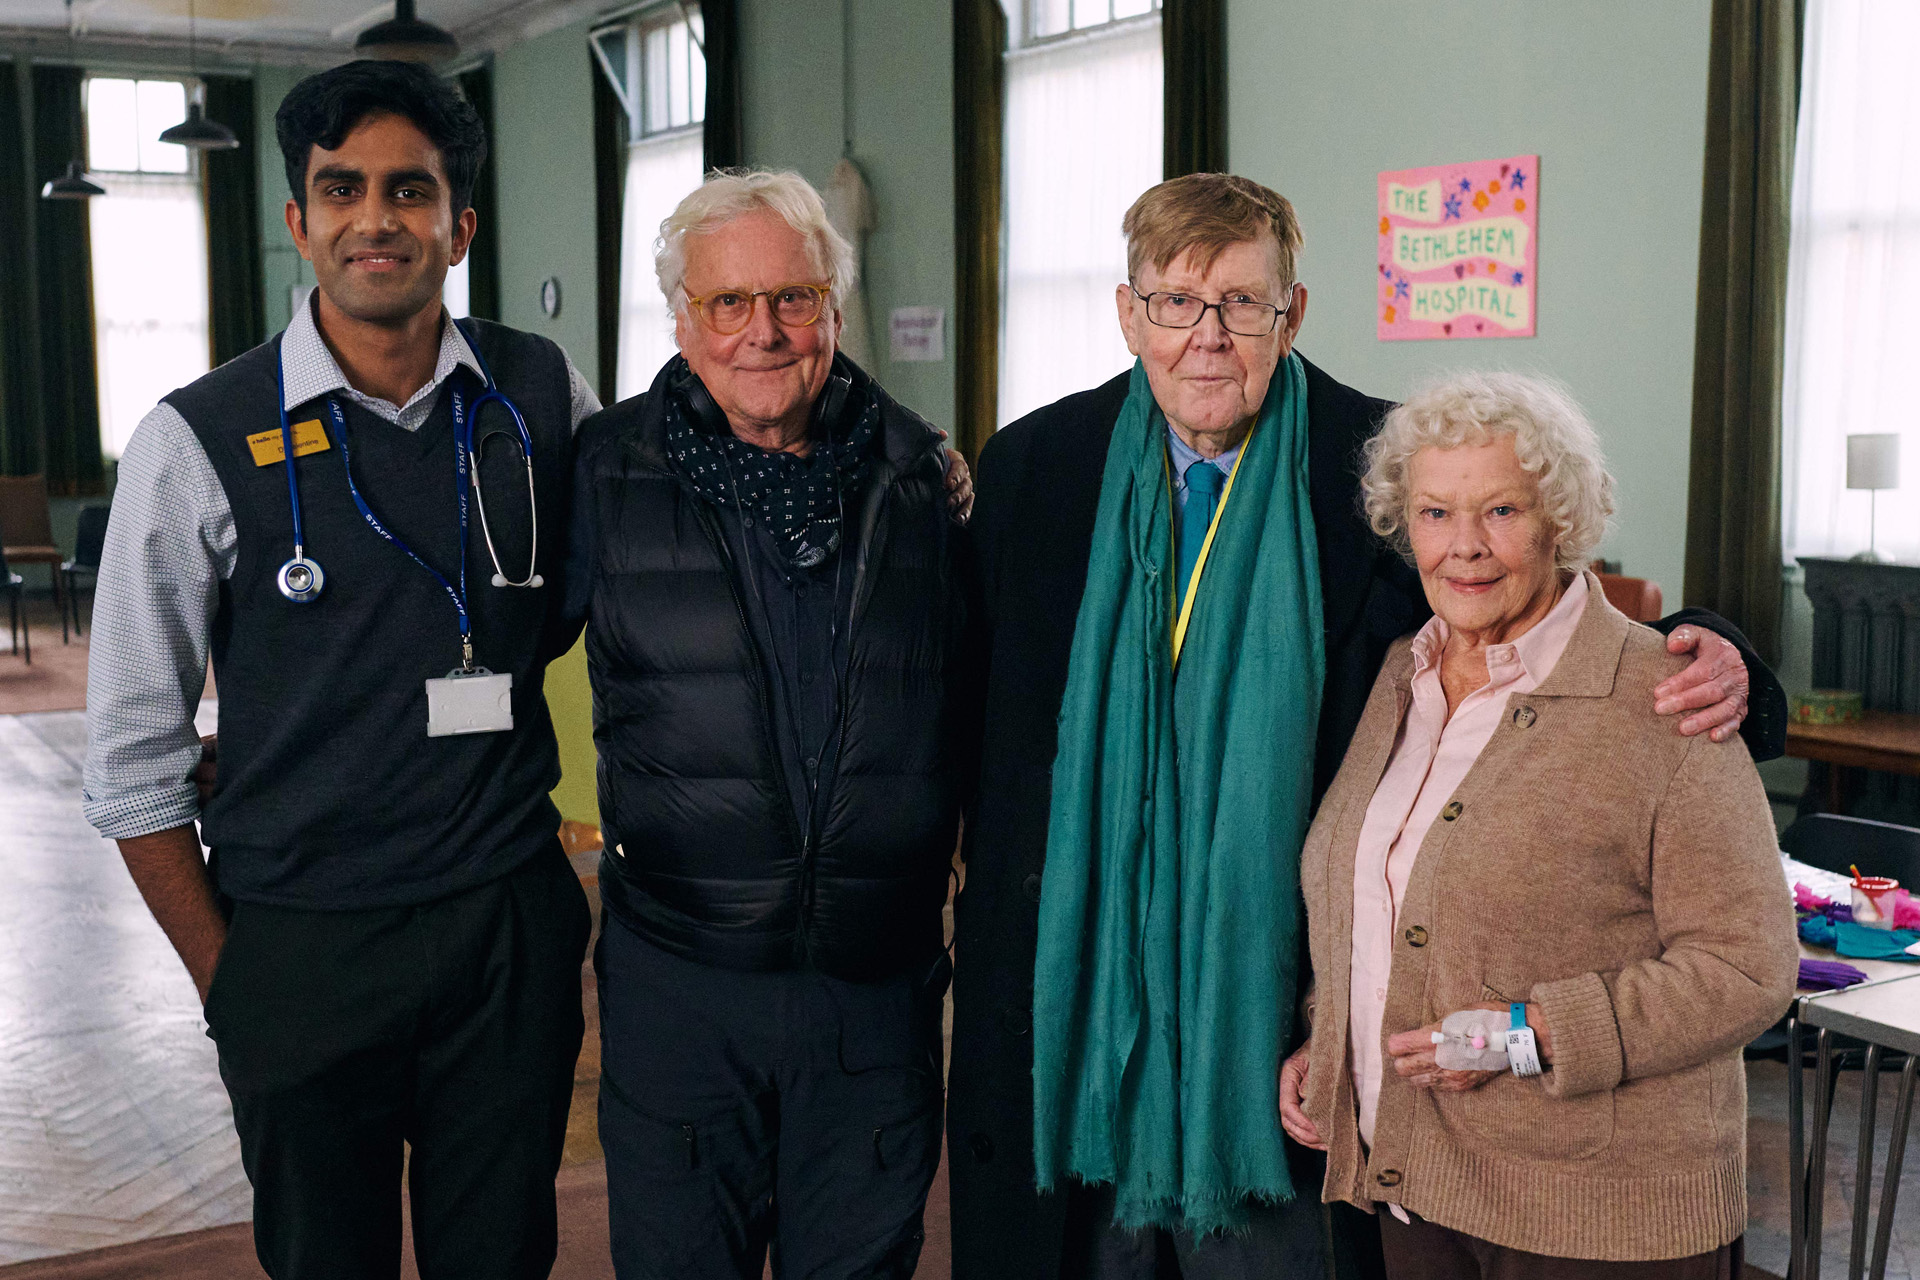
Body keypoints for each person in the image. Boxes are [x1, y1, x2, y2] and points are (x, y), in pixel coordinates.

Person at [945, 172, 1787, 1280]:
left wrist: (1718, 651)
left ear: (1291, 313)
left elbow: (1530, 596)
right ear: (1127, 310)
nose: (1208, 336)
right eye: (1176, 302)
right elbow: (957, 700)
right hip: (1081, 1002)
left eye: (1242, 303)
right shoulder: (1033, 469)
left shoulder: (1378, 465)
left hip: (1284, 1032)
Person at [82, 61, 604, 1279]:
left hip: (505, 925)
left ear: (459, 225)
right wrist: (237, 984)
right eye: (343, 188)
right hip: (303, 941)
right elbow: (130, 757)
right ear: (298, 221)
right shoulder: (193, 439)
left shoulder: (541, 391)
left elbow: (650, 531)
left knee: (505, 1256)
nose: (378, 217)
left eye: (411, 190)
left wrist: (913, 452)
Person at [1279, 371, 1797, 1279]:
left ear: (1560, 518)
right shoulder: (1401, 674)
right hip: (1419, 1190)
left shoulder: (1667, 697)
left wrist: (1530, 1032)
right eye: (1435, 513)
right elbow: (1373, 892)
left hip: (1602, 1219)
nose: (1465, 547)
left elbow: (1749, 967)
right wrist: (1334, 1040)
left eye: (1503, 511)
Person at [564, 169, 978, 1280]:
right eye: (727, 304)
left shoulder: (922, 479)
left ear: (834, 309)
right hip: (682, 988)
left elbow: (978, 703)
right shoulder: (601, 473)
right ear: (684, 319)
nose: (763, 332)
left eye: (792, 299)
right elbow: (484, 660)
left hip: (874, 991)